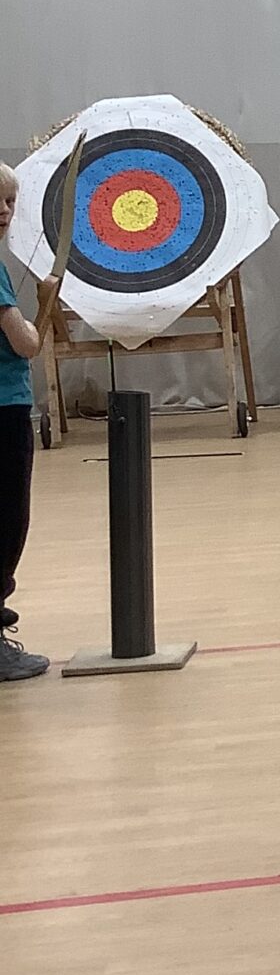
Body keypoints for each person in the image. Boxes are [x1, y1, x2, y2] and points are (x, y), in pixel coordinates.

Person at [0, 162, 50, 682]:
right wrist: (44, 306)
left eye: (10, 201)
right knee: (6, 523)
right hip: (4, 411)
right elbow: (26, 344)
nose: (3, 211)